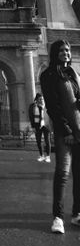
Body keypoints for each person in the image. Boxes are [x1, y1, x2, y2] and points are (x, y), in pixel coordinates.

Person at [40, 40, 80, 234]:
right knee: (63, 173)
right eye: (62, 50)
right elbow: (53, 107)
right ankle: (58, 217)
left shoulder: (73, 73)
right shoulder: (48, 75)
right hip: (66, 132)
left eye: (68, 50)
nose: (66, 52)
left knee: (79, 175)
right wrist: (67, 131)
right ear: (55, 52)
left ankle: (77, 214)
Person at [29, 93, 51, 162]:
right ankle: (41, 155)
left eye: (42, 99)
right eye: (40, 99)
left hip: (46, 125)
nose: (41, 100)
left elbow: (50, 115)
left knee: (47, 141)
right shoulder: (33, 106)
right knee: (38, 141)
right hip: (37, 125)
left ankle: (48, 156)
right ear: (36, 100)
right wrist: (33, 126)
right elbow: (31, 117)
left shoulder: (47, 106)